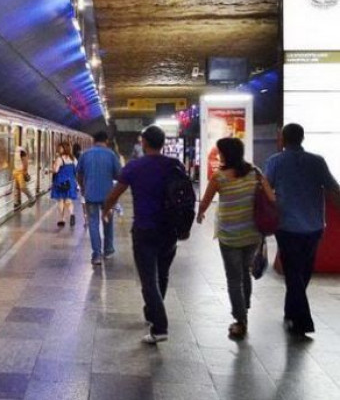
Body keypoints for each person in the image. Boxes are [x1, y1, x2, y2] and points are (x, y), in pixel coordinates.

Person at [103, 125, 183, 344]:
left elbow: (115, 193)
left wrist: (106, 209)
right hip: (170, 229)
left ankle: (160, 327)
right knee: (162, 275)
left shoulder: (135, 166)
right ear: (163, 143)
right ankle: (152, 313)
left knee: (149, 280)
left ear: (144, 142)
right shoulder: (174, 165)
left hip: (145, 229)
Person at [265, 123, 340, 337]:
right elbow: (334, 188)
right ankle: (292, 313)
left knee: (294, 273)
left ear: (282, 139)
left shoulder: (275, 162)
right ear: (302, 138)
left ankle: (301, 320)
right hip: (314, 226)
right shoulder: (317, 162)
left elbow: (266, 188)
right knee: (303, 272)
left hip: (286, 226)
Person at [197, 137, 275, 339]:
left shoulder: (219, 177)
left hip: (229, 235)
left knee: (233, 278)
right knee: (244, 272)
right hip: (252, 233)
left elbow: (205, 201)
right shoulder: (255, 173)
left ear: (226, 154)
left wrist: (200, 213)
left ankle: (240, 321)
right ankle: (244, 307)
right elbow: (271, 198)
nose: (218, 155)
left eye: (220, 151)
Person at [77, 131, 121, 265]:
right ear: (106, 141)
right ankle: (108, 250)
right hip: (108, 196)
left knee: (93, 224)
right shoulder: (111, 155)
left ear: (93, 141)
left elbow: (79, 174)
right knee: (108, 222)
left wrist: (83, 187)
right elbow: (119, 175)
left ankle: (96, 255)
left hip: (90, 194)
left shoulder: (85, 154)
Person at [51, 142, 78, 227]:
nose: (59, 149)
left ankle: (62, 219)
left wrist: (52, 167)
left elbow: (56, 170)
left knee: (60, 200)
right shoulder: (73, 159)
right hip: (71, 182)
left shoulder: (60, 159)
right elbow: (77, 170)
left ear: (64, 149)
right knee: (69, 201)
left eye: (60, 148)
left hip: (60, 183)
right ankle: (72, 214)